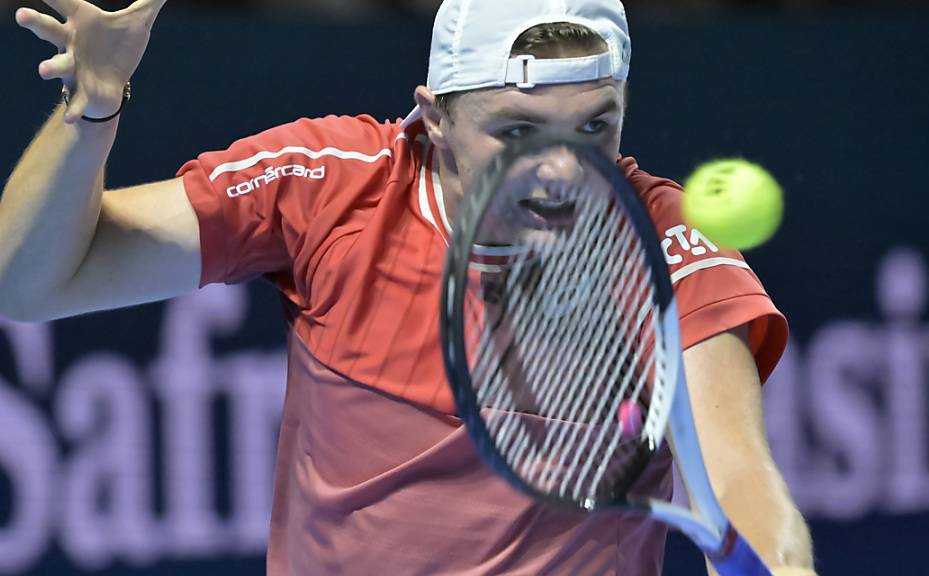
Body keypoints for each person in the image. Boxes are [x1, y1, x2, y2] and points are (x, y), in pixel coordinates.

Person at [0, 0, 816, 574]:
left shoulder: (666, 245)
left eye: (595, 125)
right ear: (433, 122)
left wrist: (779, 562)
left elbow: (738, 473)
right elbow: (28, 284)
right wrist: (93, 106)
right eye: (517, 131)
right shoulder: (332, 186)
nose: (562, 170)